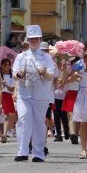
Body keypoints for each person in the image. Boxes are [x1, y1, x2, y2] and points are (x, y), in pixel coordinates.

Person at [12, 25, 55, 162]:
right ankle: (22, 151)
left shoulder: (46, 57)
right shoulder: (21, 56)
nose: (34, 41)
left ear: (40, 39)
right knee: (23, 120)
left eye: (36, 38)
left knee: (38, 123)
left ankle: (38, 153)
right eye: (31, 39)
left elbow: (51, 76)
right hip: (24, 93)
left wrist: (45, 72)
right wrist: (19, 74)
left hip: (41, 95)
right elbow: (14, 74)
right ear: (27, 40)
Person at [0, 58, 16, 143]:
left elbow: (12, 89)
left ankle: (4, 134)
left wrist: (5, 84)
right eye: (5, 64)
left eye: (9, 65)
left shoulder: (11, 76)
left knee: (7, 115)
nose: (7, 66)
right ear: (1, 65)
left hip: (7, 96)